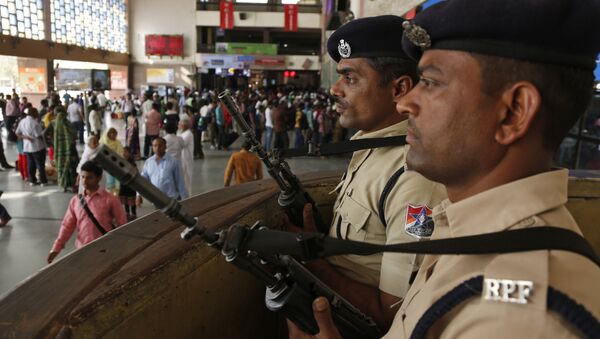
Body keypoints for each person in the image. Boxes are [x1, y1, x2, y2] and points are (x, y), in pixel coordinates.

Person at [292, 1, 600, 338]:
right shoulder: (464, 227)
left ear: (513, 112)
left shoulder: (519, 317)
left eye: (431, 82)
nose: (407, 102)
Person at [286, 15, 447, 332]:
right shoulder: (370, 147)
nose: (334, 89)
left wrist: (311, 261)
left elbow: (394, 312)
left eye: (350, 78)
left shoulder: (415, 177)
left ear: (399, 88)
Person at [47, 161, 127, 264]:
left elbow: (123, 224)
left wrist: (124, 247)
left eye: (89, 177)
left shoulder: (110, 199)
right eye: (83, 177)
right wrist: (56, 248)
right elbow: (67, 226)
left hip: (104, 250)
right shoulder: (75, 201)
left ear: (99, 178)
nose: (84, 181)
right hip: (82, 250)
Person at [137, 138, 188, 205]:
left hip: (172, 200)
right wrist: (138, 195)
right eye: (155, 146)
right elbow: (142, 180)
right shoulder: (148, 162)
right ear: (152, 147)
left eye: (160, 145)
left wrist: (185, 201)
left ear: (165, 147)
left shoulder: (174, 162)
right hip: (156, 200)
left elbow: (180, 182)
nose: (157, 148)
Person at [15, 108, 48, 187]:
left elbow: (17, 133)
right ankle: (43, 181)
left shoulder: (22, 121)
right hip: (37, 147)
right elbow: (39, 136)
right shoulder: (35, 123)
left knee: (30, 164)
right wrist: (45, 141)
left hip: (27, 148)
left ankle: (32, 180)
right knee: (40, 165)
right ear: (34, 113)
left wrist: (25, 137)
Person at [53, 108, 79, 192]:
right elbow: (75, 135)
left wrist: (53, 143)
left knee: (62, 167)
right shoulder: (69, 124)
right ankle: (74, 186)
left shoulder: (53, 123)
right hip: (71, 150)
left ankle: (64, 186)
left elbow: (44, 133)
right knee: (72, 168)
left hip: (60, 151)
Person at [99, 128, 123, 195]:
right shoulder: (104, 142)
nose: (113, 135)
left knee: (117, 178)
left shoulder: (117, 142)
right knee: (109, 178)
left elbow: (121, 151)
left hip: (116, 163)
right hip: (107, 163)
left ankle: (116, 192)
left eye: (114, 134)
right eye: (111, 133)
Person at [119, 147, 138, 221]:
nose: (124, 153)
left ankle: (133, 213)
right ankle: (127, 212)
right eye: (123, 152)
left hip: (131, 183)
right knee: (125, 199)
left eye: (126, 152)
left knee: (132, 199)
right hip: (123, 183)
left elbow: (136, 173)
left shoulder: (133, 163)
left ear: (130, 153)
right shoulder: (120, 162)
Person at [178, 118, 194, 196]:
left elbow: (182, 144)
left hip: (186, 159)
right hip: (182, 158)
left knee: (187, 177)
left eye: (181, 125)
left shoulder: (188, 134)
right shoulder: (183, 133)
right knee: (183, 177)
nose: (180, 126)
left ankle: (188, 195)